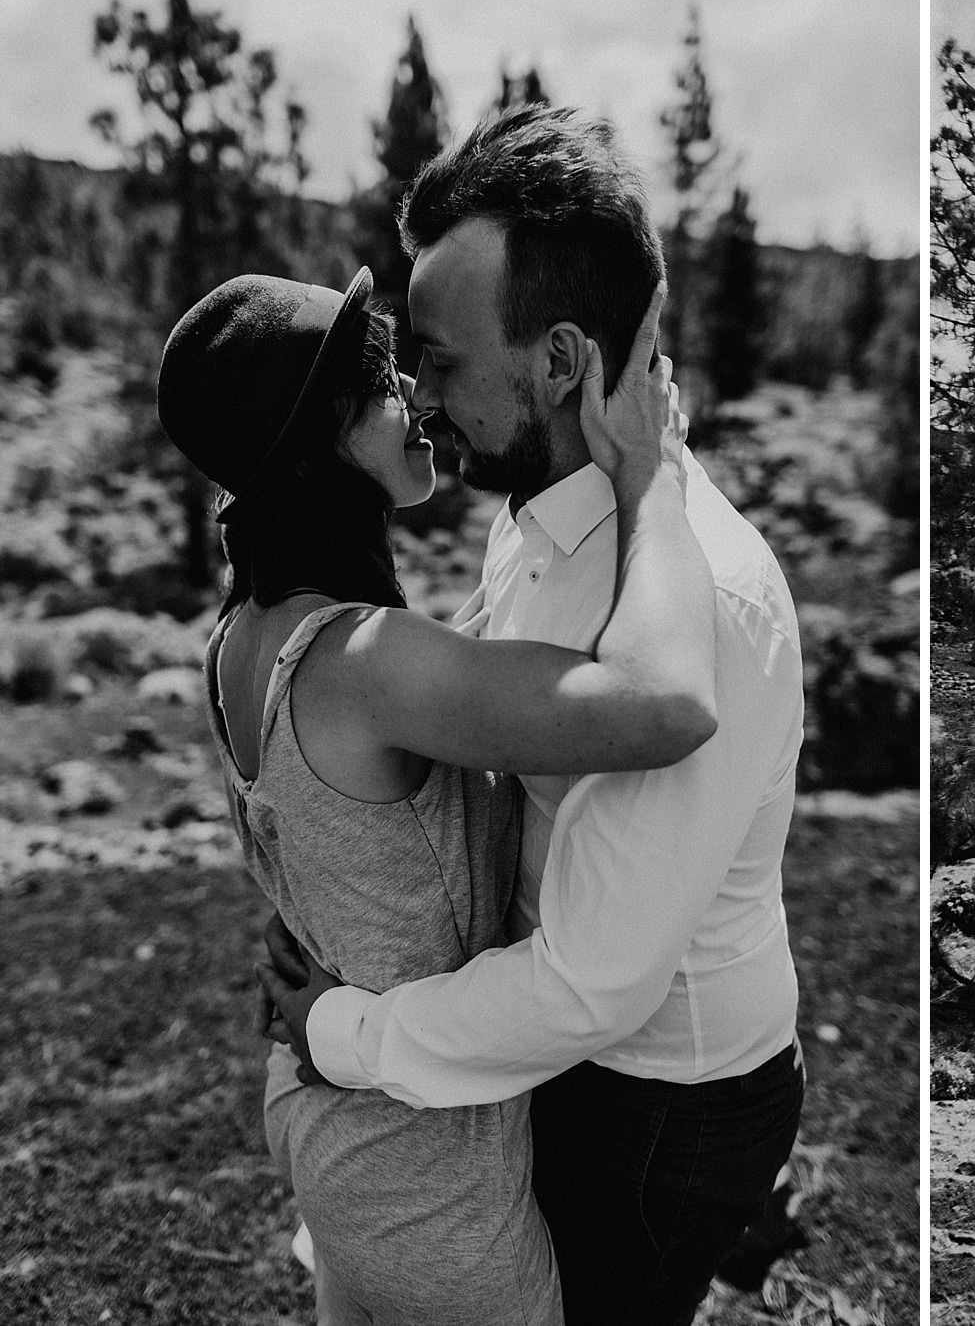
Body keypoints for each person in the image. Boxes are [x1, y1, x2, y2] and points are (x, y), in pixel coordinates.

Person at [261, 105, 811, 1325]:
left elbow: (591, 986)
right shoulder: (542, 514)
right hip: (558, 1055)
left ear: (561, 363)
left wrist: (344, 1033)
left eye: (443, 361)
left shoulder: (700, 599)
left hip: (659, 1097)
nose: (417, 392)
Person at [162, 262, 705, 1323]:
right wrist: (650, 476)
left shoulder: (240, 641)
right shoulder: (373, 663)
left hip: (335, 1133)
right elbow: (664, 707)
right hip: (429, 1179)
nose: (413, 397)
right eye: (378, 384)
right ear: (320, 436)